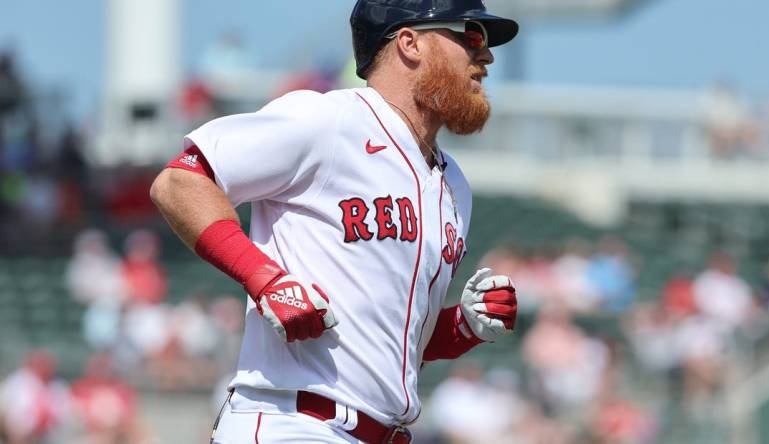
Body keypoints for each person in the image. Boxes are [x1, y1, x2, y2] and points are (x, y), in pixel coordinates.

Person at [150, 1, 519, 443]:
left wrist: (461, 326)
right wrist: (263, 279)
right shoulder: (329, 120)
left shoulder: (454, 185)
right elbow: (178, 182)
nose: (486, 56)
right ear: (410, 42)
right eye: (471, 35)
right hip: (293, 422)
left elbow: (387, 348)